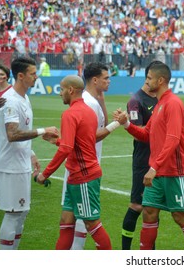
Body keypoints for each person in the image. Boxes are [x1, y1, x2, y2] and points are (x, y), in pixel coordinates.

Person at [115, 62, 184, 250]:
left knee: (180, 216)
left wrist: (154, 168)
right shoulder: (161, 104)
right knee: (149, 212)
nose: (146, 82)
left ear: (160, 80)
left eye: (149, 79)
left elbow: (173, 138)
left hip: (173, 171)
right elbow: (147, 133)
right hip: (158, 172)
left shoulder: (173, 103)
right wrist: (127, 124)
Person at [36, 75, 112, 250]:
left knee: (92, 224)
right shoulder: (88, 112)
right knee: (66, 221)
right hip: (77, 176)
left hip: (83, 177)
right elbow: (79, 143)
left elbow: (66, 149)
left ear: (70, 90)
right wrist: (55, 141)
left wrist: (44, 174)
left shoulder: (70, 114)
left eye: (61, 89)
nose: (60, 93)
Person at [0, 56, 58, 250]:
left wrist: (31, 153)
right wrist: (42, 131)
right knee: (13, 213)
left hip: (21, 164)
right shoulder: (11, 102)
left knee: (22, 213)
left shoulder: (25, 97)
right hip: (10, 166)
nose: (36, 76)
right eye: (32, 73)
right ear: (21, 76)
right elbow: (12, 134)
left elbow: (22, 130)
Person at [63, 62, 118, 249]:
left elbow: (102, 123)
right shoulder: (87, 103)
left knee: (75, 219)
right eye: (106, 78)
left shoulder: (93, 100)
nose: (109, 81)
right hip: (82, 169)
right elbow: (90, 137)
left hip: (87, 167)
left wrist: (101, 96)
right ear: (95, 80)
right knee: (85, 220)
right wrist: (118, 124)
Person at [121, 61, 158, 250]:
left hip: (160, 161)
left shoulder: (161, 98)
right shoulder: (136, 100)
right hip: (144, 159)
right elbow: (137, 130)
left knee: (153, 209)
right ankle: (125, 252)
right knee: (137, 206)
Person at [0, 64, 12, 200]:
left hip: (5, 130)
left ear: (7, 75)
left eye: (2, 74)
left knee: (2, 158)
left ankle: (3, 188)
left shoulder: (11, 91)